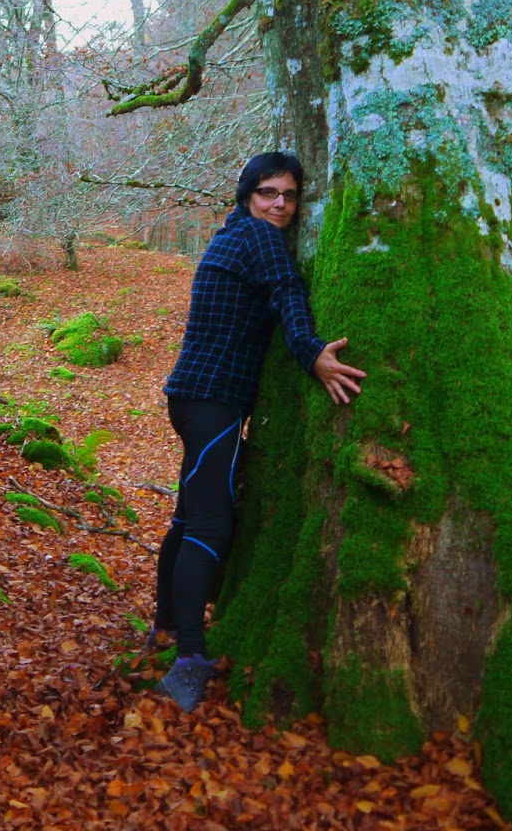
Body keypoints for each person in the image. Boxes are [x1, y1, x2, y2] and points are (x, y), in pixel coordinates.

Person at [152, 151, 364, 713]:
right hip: (214, 401)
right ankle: (190, 660)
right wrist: (313, 354)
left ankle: (166, 626)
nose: (281, 205)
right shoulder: (259, 240)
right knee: (210, 524)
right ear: (248, 194)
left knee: (188, 515)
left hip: (195, 398)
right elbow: (289, 294)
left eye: (290, 196)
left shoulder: (234, 236)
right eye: (270, 192)